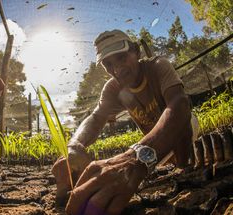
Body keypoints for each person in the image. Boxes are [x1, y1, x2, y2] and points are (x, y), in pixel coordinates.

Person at [52, 29, 198, 215]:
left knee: (180, 151)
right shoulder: (113, 88)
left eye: (121, 57)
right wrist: (74, 145)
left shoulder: (157, 66)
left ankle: (186, 170)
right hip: (152, 139)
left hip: (183, 126)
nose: (117, 68)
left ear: (136, 51)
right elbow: (96, 118)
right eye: (108, 64)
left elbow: (179, 105)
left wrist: (135, 157)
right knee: (161, 169)